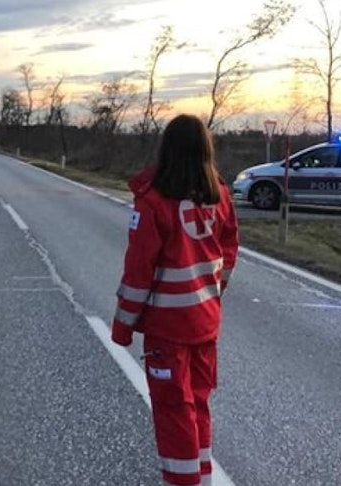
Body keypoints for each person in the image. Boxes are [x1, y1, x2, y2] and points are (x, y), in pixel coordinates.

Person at [111, 114, 239, 486]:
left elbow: (139, 272)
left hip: (168, 329)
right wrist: (212, 293)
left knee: (173, 409)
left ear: (166, 149)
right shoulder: (219, 194)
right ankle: (200, 477)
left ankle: (183, 481)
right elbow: (228, 251)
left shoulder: (154, 201)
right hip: (206, 321)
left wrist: (122, 327)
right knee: (198, 402)